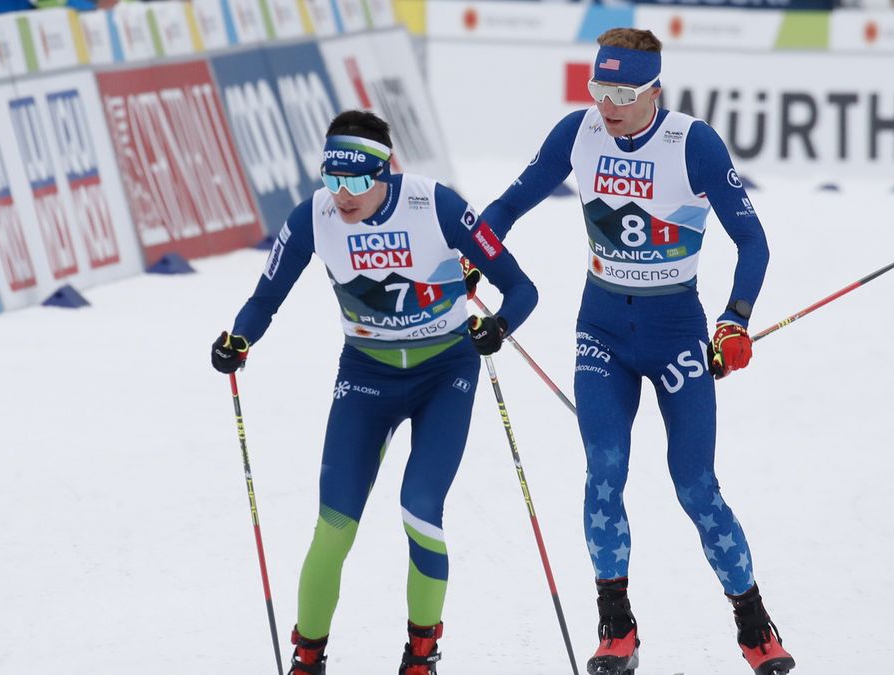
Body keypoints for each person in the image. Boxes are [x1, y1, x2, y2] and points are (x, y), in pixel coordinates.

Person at [478, 28, 795, 675]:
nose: (608, 105)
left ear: (655, 89)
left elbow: (754, 243)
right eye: (599, 88)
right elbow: (511, 203)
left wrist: (734, 320)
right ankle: (616, 625)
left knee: (696, 485)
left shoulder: (693, 143)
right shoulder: (580, 133)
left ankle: (753, 621)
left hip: (676, 333)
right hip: (602, 334)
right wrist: (473, 258)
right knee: (604, 468)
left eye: (623, 92)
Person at [211, 110, 538, 675]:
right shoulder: (313, 216)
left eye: (358, 181)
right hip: (367, 377)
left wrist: (498, 327)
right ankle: (307, 657)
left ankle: (420, 654)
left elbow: (522, 288)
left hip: (445, 375)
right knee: (333, 526)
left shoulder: (434, 204)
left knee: (420, 509)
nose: (344, 195)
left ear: (387, 170)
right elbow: (266, 296)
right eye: (332, 180)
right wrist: (239, 338)